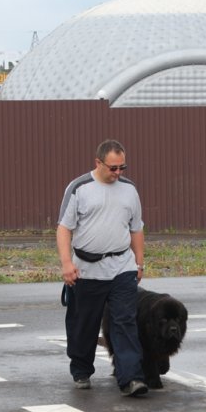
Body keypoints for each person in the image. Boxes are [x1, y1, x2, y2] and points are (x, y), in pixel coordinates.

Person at [56, 139, 148, 397]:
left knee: (124, 321)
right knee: (84, 323)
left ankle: (131, 377)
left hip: (122, 266)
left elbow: (136, 228)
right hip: (86, 269)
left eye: (122, 168)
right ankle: (81, 369)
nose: (118, 173)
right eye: (113, 168)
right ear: (98, 163)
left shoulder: (129, 190)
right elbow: (64, 228)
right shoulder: (79, 188)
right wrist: (66, 263)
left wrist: (139, 262)